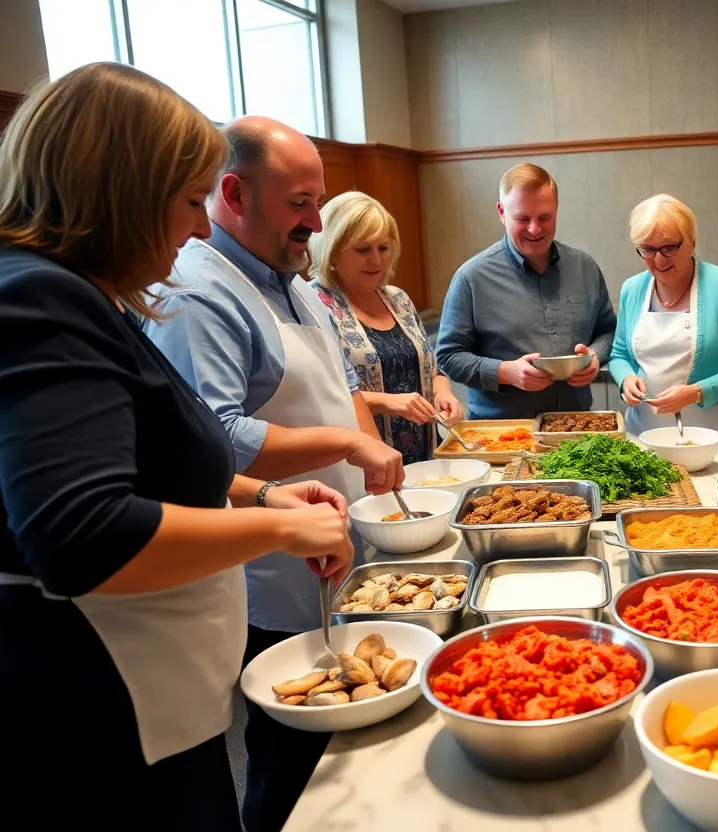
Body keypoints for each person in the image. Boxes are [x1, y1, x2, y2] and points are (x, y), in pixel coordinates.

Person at [0, 63, 353, 829]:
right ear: (121, 194)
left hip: (160, 694)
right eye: (190, 201)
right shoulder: (38, 296)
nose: (199, 228)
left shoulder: (91, 297)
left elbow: (155, 464)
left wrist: (263, 495)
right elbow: (82, 534)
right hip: (102, 706)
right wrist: (281, 530)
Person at [142, 117, 402, 832]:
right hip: (269, 571)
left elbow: (344, 383)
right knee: (290, 752)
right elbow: (213, 439)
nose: (316, 222)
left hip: (334, 543)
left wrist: (370, 458)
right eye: (299, 204)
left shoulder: (293, 280)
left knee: (343, 753)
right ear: (232, 194)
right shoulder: (199, 293)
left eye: (317, 201)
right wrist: (345, 444)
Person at [435, 163, 617, 418]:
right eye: (522, 219)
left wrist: (596, 356)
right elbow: (448, 356)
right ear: (501, 212)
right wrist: (504, 372)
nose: (534, 229)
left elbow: (608, 331)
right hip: (500, 430)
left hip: (576, 424)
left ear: (557, 208)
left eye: (544, 217)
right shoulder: (471, 277)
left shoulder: (584, 267)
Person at [308, 191, 463, 464]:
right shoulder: (314, 304)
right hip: (362, 464)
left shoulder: (397, 299)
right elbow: (317, 397)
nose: (377, 260)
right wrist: (386, 401)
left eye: (383, 248)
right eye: (363, 249)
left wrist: (443, 393)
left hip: (427, 459)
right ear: (331, 250)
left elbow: (432, 369)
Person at [608, 194, 718, 435]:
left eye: (669, 248)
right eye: (648, 249)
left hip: (713, 433)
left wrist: (697, 392)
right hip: (643, 431)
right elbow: (619, 355)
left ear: (692, 241)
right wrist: (626, 379)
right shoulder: (633, 288)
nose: (659, 260)